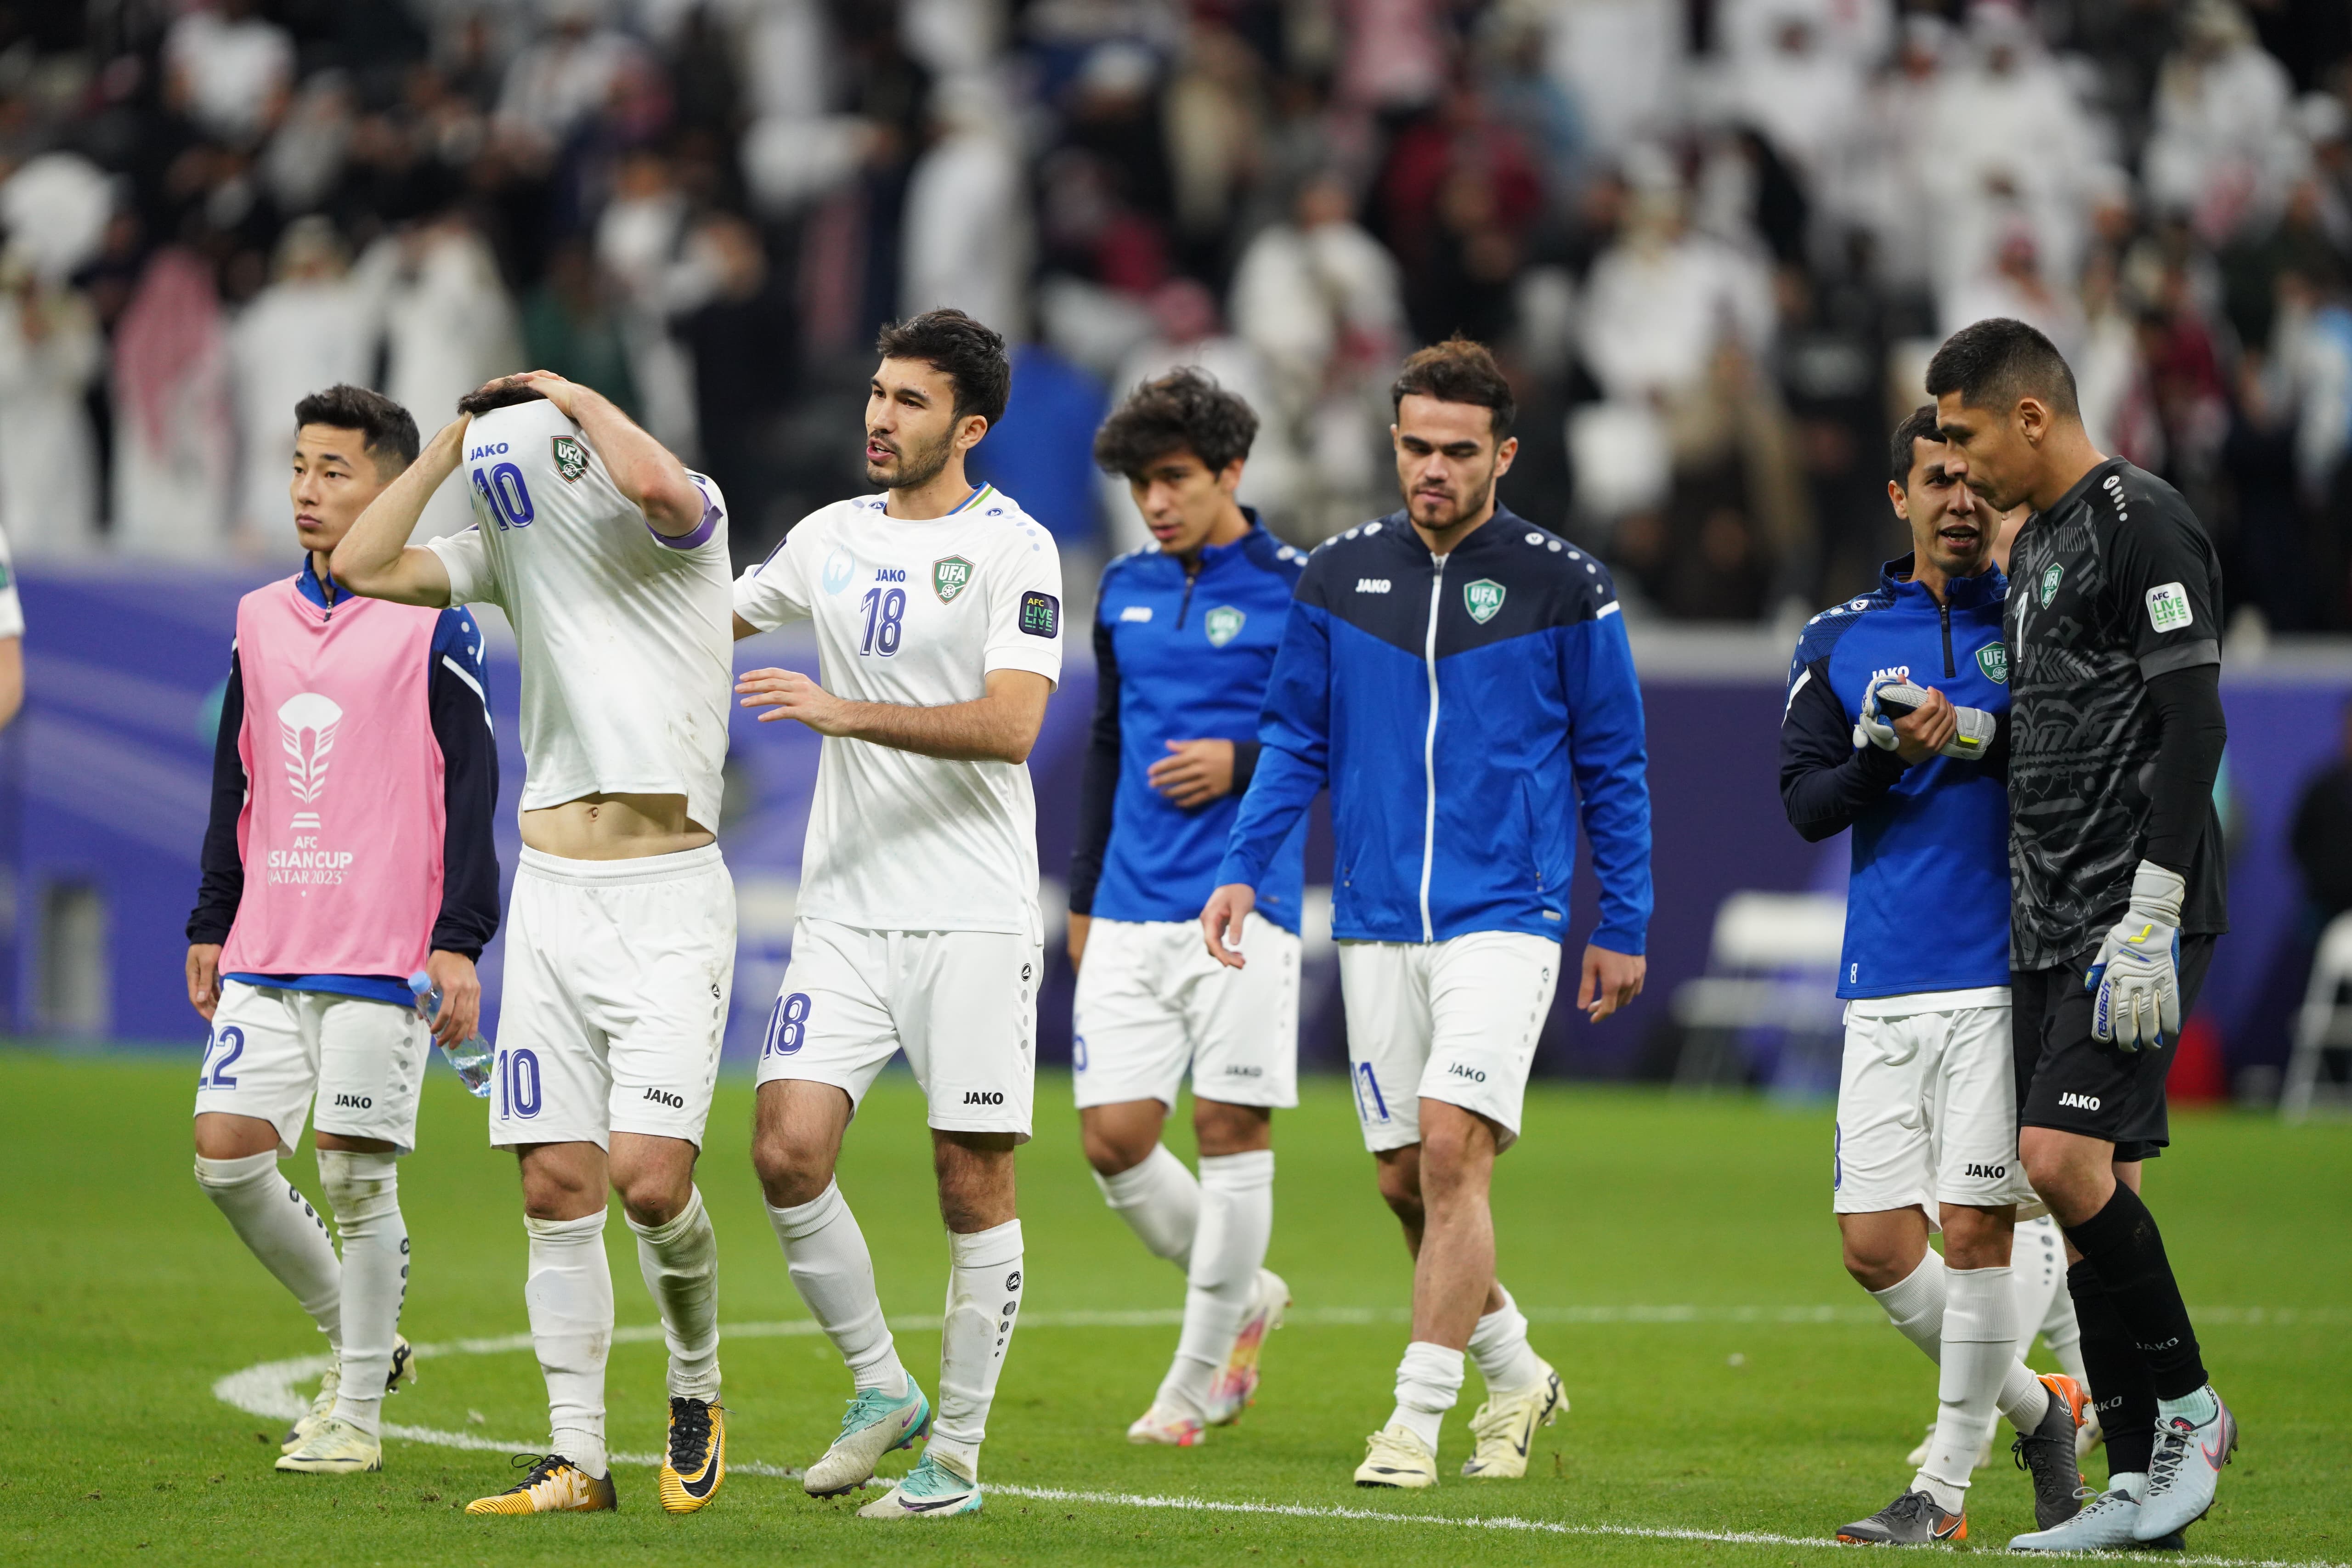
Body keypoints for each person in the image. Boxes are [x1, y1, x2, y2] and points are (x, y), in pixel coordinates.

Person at [1201, 337, 1653, 1488]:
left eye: (1458, 451)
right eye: (1415, 447)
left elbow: (1615, 763)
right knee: (1406, 1181)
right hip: (1372, 922)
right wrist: (1247, 863)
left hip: (1508, 912)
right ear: (1392, 443)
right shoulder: (1337, 576)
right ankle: (1516, 1374)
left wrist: (1626, 920)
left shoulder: (1566, 585)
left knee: (1454, 1149)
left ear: (1503, 453)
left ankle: (1414, 1419)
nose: (1432, 470)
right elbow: (1296, 734)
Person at [331, 370, 737, 1517]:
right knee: (557, 1186)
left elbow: (654, 478)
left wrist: (564, 390)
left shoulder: (684, 521)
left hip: (667, 897)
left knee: (653, 1185)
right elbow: (361, 565)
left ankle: (697, 1385)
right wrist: (451, 443)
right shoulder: (511, 552)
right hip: (557, 897)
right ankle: (579, 1461)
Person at [731, 309, 1061, 1522]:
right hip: (848, 910)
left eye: (910, 401)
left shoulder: (1016, 549)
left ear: (969, 427)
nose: (879, 415)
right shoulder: (826, 537)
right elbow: (701, 613)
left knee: (970, 1182)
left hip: (970, 913)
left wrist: (843, 708)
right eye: (877, 392)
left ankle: (958, 1460)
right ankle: (883, 1386)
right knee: (785, 1149)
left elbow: (1012, 724)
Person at [1929, 317, 2236, 1552]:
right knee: (2090, 1184)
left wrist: (2154, 912)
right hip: (2048, 914)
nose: (1952, 464)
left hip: (2130, 915)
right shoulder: (2040, 544)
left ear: (2031, 417)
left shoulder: (2139, 520)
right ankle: (2135, 1484)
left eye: (1962, 434)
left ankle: (2194, 1408)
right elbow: (2052, 731)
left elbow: (2196, 724)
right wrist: (1954, 732)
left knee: (2056, 1162)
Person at [1780, 404, 2090, 1544]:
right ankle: (2038, 1411)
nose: (1958, 499)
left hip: (2004, 968)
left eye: (1975, 482)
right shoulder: (1839, 635)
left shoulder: (2044, 619)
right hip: (1882, 972)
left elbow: (2070, 751)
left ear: (2000, 496)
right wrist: (1872, 750)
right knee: (1872, 1244)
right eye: (1935, 480)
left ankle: (1942, 1492)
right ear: (1899, 496)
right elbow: (1805, 803)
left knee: (1973, 1232)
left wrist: (1969, 732)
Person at [184, 385, 499, 1476]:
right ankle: (364, 1344)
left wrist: (460, 937)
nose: (310, 492)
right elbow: (238, 774)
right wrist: (212, 916)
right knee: (226, 1161)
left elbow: (472, 787)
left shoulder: (430, 614)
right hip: (271, 936)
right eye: (302, 468)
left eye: (338, 473)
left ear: (391, 487)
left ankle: (358, 1412)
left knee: (357, 1180)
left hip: (381, 945)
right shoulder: (258, 616)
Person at [1066, 368, 1307, 1448]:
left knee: (1226, 1128)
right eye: (1138, 485)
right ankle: (1247, 1292)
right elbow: (1105, 748)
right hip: (1127, 897)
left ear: (1231, 473)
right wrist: (1080, 894)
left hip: (1244, 898)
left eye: (1174, 481)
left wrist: (1241, 758)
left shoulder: (1302, 587)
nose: (1155, 503)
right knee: (1114, 1139)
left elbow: (1342, 734)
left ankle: (1193, 1385)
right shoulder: (1120, 588)